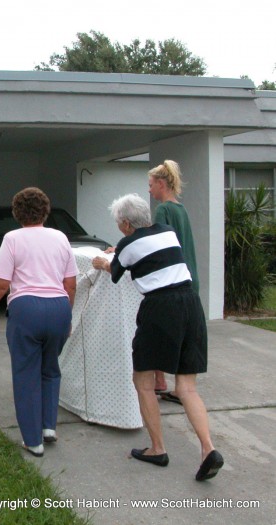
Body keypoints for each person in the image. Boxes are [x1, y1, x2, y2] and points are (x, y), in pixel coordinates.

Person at [92, 193, 223, 481]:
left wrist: (103, 261)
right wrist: (120, 251)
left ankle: (157, 448)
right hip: (191, 303)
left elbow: (114, 270)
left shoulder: (127, 244)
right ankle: (208, 449)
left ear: (126, 223)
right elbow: (146, 254)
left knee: (143, 379)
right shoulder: (167, 232)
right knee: (187, 387)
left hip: (161, 308)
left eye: (119, 223)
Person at [0, 187, 77, 458]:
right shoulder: (60, 238)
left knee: (26, 374)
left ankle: (33, 440)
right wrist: (66, 316)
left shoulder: (12, 238)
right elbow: (70, 285)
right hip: (58, 307)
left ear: (16, 213)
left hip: (26, 309)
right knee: (50, 368)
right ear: (45, 211)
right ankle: (48, 426)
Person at [148, 160, 199, 404]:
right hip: (191, 278)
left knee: (156, 330)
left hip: (172, 283)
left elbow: (159, 245)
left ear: (160, 184)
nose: (149, 190)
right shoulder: (182, 209)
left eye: (150, 185)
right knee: (186, 336)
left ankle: (159, 380)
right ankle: (182, 388)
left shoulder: (163, 210)